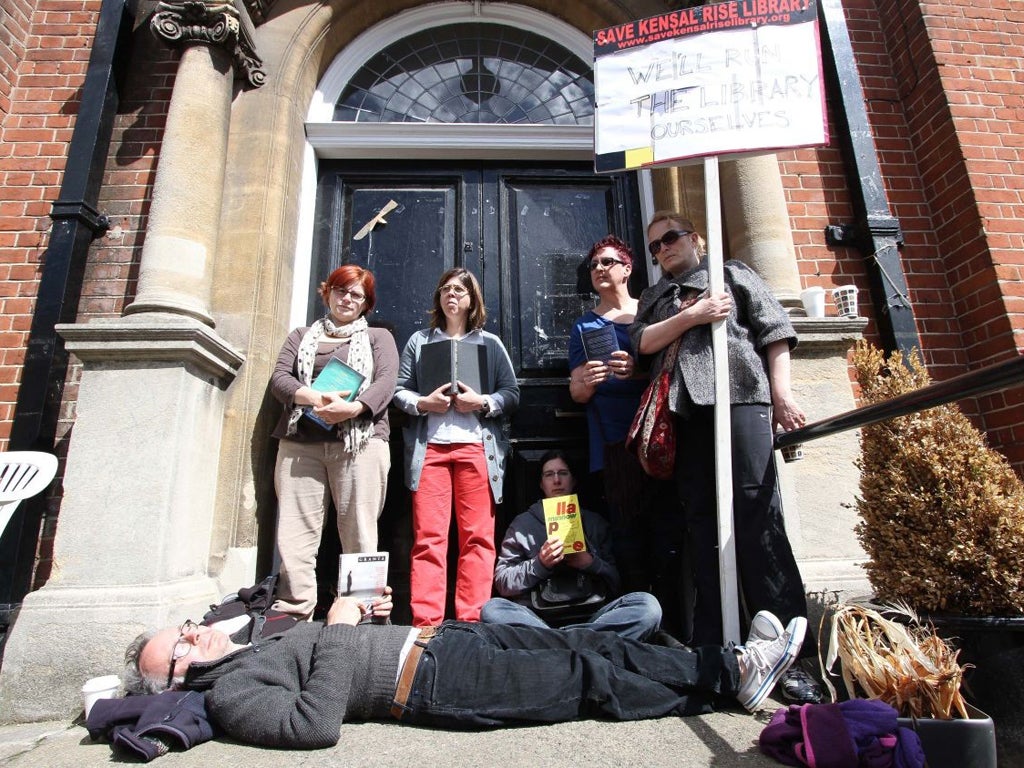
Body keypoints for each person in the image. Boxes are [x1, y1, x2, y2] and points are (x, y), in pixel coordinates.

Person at [124, 594, 807, 749]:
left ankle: (727, 667)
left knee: (587, 647)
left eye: (181, 627)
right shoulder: (232, 697)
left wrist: (360, 617)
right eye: (178, 646)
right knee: (586, 680)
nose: (193, 633)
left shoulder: (250, 647)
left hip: (443, 643)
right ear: (177, 680)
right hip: (432, 687)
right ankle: (733, 676)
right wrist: (337, 629)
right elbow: (314, 725)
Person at [629, 211, 822, 704]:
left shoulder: (733, 273)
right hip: (684, 414)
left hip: (741, 399)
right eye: (654, 247)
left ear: (694, 237)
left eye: (669, 239)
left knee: (759, 516)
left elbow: (775, 331)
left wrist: (781, 396)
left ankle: (790, 652)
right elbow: (643, 343)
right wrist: (693, 315)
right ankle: (717, 650)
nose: (663, 250)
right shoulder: (656, 297)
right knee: (702, 524)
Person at [567, 234, 689, 638]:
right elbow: (577, 392)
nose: (599, 269)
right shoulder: (585, 324)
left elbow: (674, 366)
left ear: (627, 267)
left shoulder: (651, 313)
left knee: (671, 538)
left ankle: (675, 629)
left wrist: (635, 371)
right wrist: (588, 379)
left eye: (607, 262)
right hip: (615, 444)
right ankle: (639, 630)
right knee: (629, 542)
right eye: (593, 265)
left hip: (661, 436)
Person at [268, 264, 398, 619]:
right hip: (300, 445)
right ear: (328, 293)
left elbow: (387, 383)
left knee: (359, 534)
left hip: (359, 445)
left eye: (357, 294)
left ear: (366, 303)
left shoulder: (378, 338)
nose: (348, 299)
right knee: (296, 537)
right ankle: (293, 617)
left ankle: (360, 614)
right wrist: (312, 398)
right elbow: (280, 377)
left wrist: (353, 408)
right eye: (342, 290)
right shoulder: (300, 336)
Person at [393, 267, 520, 626]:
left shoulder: (489, 344)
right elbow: (400, 390)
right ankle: (426, 625)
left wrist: (482, 402)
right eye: (446, 289)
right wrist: (423, 403)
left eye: (460, 291)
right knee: (429, 539)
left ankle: (471, 623)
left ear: (471, 300)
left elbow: (511, 393)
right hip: (430, 449)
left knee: (478, 538)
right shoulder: (420, 341)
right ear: (439, 297)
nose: (452, 295)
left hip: (475, 450)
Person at [480, 449, 661, 641]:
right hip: (539, 620)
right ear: (541, 484)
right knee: (492, 610)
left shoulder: (594, 522)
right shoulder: (522, 525)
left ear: (573, 481)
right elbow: (502, 582)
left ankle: (558, 645)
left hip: (591, 617)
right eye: (549, 474)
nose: (556, 480)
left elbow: (616, 582)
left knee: (648, 606)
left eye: (563, 473)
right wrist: (539, 564)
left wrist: (589, 562)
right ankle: (583, 644)